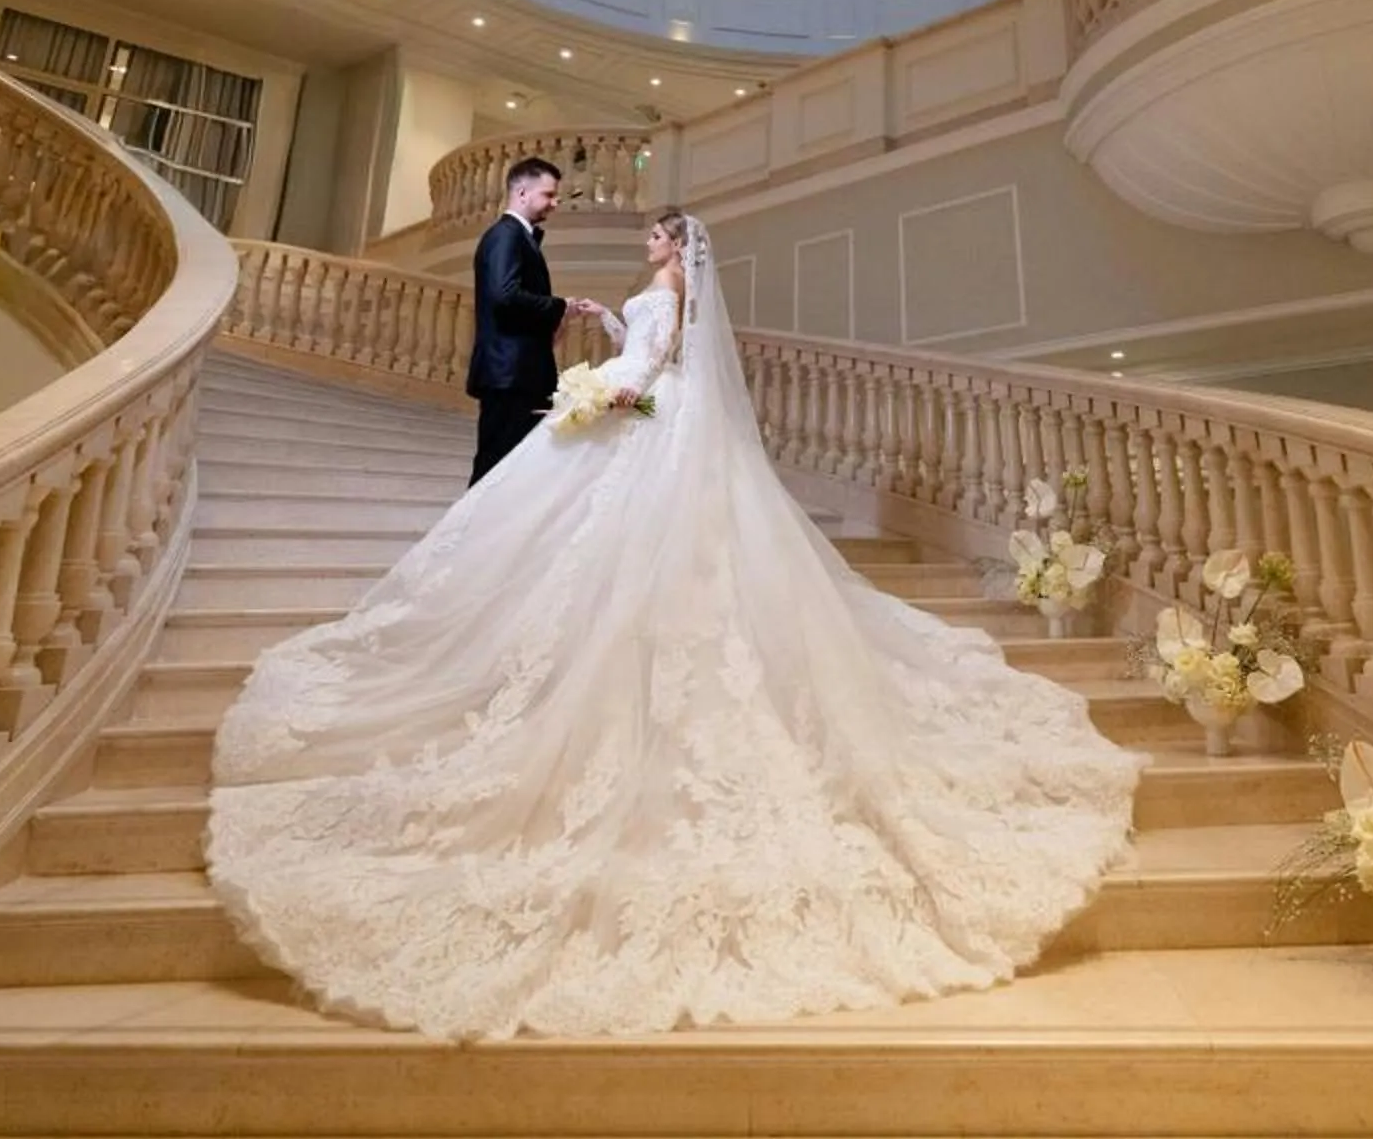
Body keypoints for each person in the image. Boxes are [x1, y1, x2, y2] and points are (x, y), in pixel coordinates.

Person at [207, 209, 1145, 1040]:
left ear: (674, 244)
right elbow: (654, 349)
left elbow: (652, 371)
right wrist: (614, 349)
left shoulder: (670, 290)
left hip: (643, 412)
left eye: (657, 235)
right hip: (653, 409)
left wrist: (605, 390)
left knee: (617, 561)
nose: (650, 246)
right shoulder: (672, 293)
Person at [463, 156, 601, 486]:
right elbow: (504, 296)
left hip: (519, 374)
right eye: (549, 195)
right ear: (522, 193)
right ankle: (468, 536)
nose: (554, 203)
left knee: (514, 474)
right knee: (495, 469)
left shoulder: (517, 237)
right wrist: (558, 306)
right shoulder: (506, 236)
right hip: (510, 376)